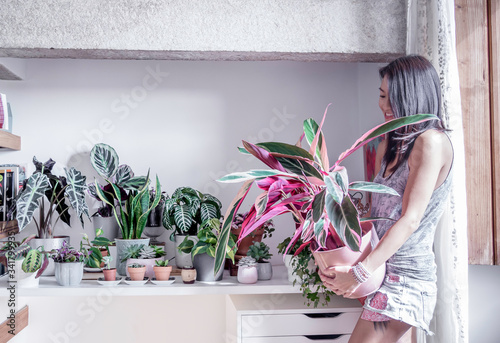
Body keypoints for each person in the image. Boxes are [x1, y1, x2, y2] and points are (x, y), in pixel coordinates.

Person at [319, 55, 454, 343]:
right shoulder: (387, 146)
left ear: (414, 96)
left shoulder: (431, 142)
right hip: (377, 271)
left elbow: (410, 219)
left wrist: (357, 273)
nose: (384, 105)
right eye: (382, 95)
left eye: (393, 97)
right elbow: (374, 214)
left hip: (405, 278)